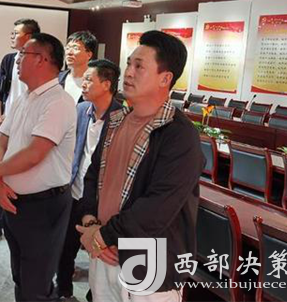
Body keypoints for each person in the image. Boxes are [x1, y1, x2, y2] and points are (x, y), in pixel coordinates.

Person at [77, 30, 204, 302]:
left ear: (165, 78)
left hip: (149, 262)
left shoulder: (179, 135)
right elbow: (93, 175)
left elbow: (158, 206)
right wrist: (90, 221)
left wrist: (103, 236)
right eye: (128, 64)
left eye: (139, 66)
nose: (128, 72)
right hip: (104, 252)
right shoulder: (116, 120)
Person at [0, 33, 76, 301]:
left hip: (43, 206)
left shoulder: (58, 102)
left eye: (23, 54)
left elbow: (35, 153)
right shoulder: (24, 98)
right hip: (14, 201)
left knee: (36, 284)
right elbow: (2, 142)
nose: (17, 59)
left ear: (42, 60)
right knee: (20, 276)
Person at [56, 59, 122, 299]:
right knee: (65, 248)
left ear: (106, 84)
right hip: (75, 192)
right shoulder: (81, 110)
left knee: (101, 254)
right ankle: (64, 291)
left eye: (88, 80)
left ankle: (94, 295)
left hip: (101, 200)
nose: (82, 84)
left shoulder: (122, 117)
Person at [0, 18, 41, 243]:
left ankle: (20, 220)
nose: (12, 36)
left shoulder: (39, 61)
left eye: (16, 33)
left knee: (23, 170)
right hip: (5, 124)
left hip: (28, 125)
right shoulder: (9, 60)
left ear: (30, 37)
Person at [59, 31, 98, 104]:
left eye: (75, 48)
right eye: (67, 48)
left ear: (89, 55)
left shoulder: (96, 83)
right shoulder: (57, 79)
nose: (69, 52)